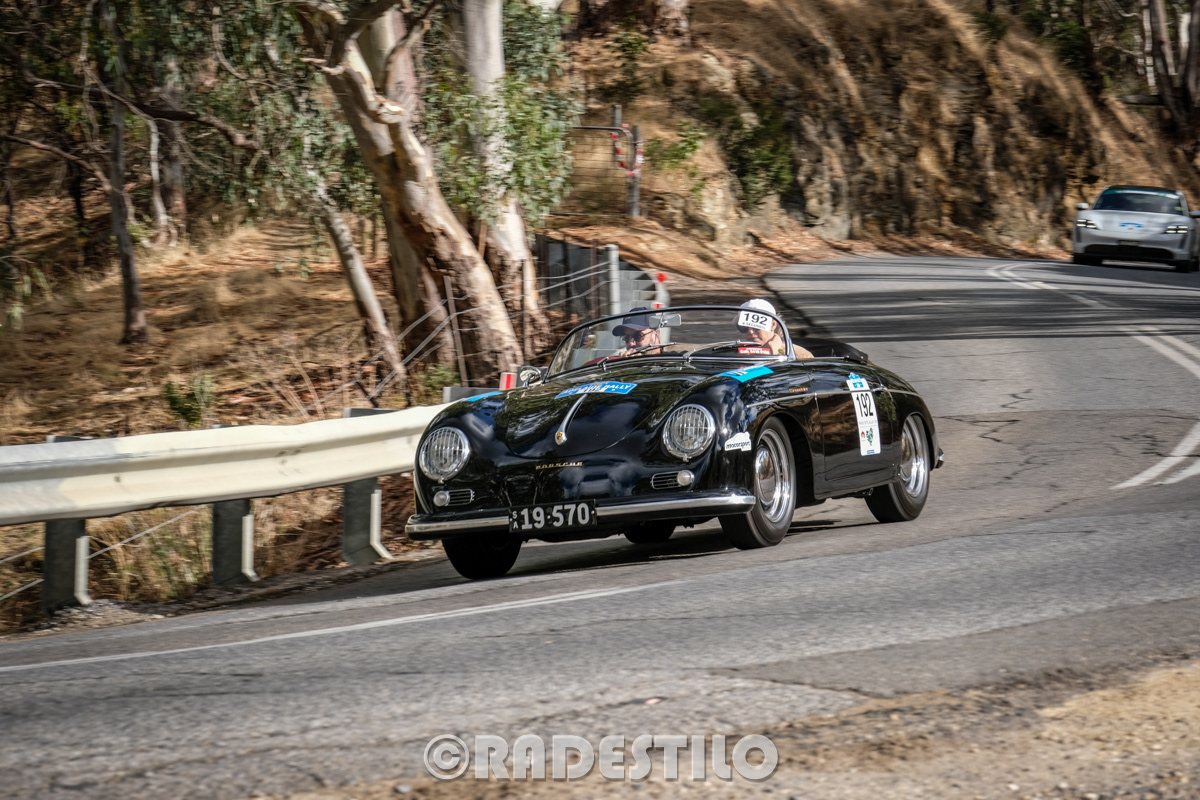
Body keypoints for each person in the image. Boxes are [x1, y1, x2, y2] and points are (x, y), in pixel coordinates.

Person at [735, 299, 813, 358]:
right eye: (743, 327)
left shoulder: (798, 355)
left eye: (756, 326)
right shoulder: (735, 353)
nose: (750, 331)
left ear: (772, 325)